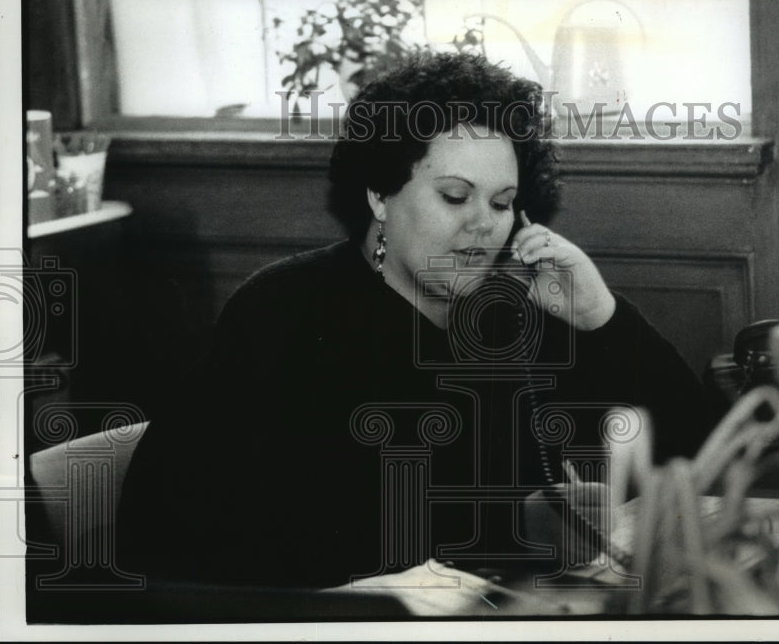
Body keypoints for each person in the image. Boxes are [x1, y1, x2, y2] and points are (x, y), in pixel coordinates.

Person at [117, 52, 718, 589]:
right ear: (380, 194)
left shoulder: (512, 312)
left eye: (502, 203)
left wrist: (600, 316)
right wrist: (515, 526)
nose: (483, 224)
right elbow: (253, 535)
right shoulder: (284, 315)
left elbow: (705, 456)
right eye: (456, 197)